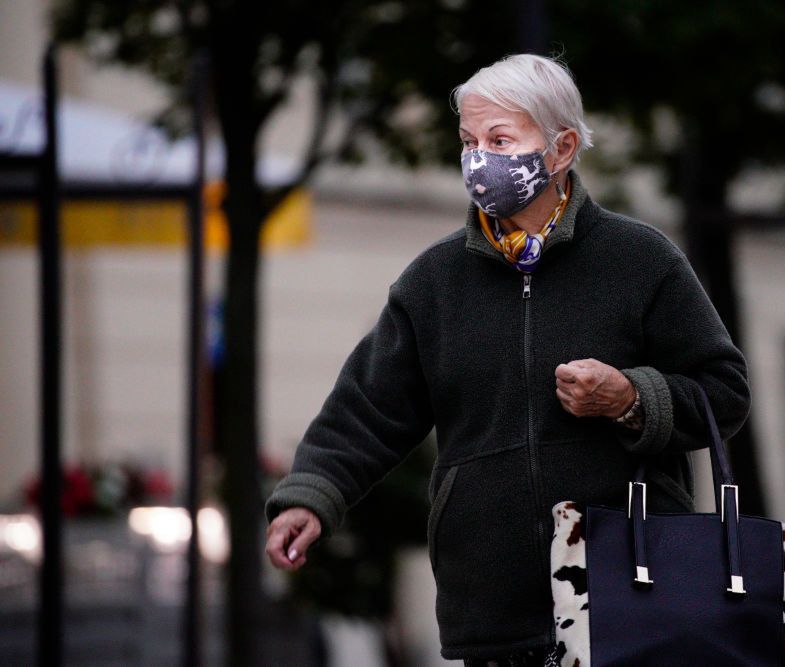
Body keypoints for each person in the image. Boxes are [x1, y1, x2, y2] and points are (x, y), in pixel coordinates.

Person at [265, 53, 751, 666]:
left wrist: (631, 397)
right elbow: (368, 408)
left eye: (500, 140)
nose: (478, 160)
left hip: (630, 592)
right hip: (490, 608)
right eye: (469, 141)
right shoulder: (433, 283)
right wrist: (310, 495)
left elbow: (724, 392)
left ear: (562, 147)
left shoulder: (641, 260)